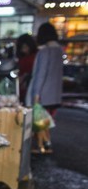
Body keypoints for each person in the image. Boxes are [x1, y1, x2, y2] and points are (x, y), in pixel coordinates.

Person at [26, 22, 63, 154]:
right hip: (55, 95)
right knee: (45, 122)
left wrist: (36, 95)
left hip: (43, 94)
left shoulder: (45, 51)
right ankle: (47, 144)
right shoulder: (59, 50)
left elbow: (40, 74)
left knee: (39, 122)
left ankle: (42, 146)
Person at [15, 33, 38, 103]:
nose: (24, 50)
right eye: (22, 47)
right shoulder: (24, 58)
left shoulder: (33, 57)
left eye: (25, 47)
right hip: (22, 87)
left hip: (28, 87)